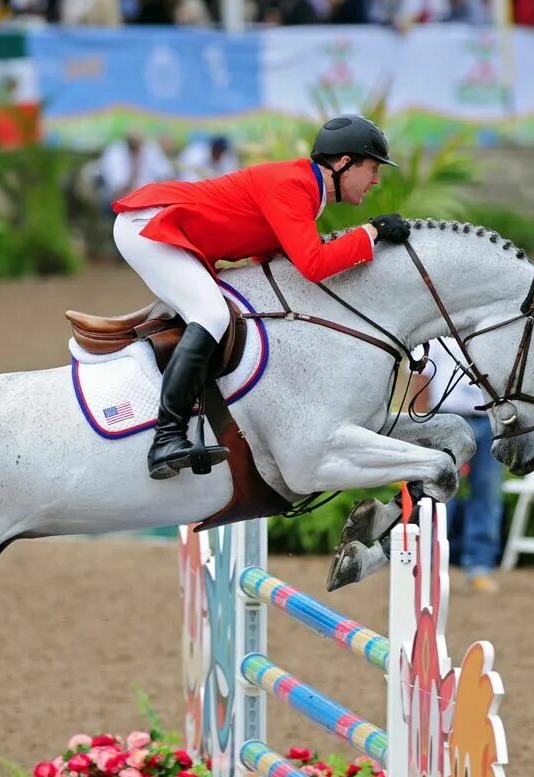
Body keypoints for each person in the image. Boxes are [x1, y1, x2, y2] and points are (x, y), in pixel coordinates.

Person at [112, 115, 410, 480]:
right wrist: (371, 232)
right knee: (212, 315)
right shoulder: (293, 185)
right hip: (149, 225)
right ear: (344, 163)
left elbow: (268, 260)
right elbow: (313, 264)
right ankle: (166, 439)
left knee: (219, 312)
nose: (376, 180)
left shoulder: (307, 192)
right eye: (373, 168)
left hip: (163, 228)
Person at [413, 342, 505, 593]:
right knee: (439, 495)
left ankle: (480, 565)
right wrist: (421, 423)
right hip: (447, 419)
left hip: (488, 420)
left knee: (487, 494)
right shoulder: (441, 334)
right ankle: (428, 563)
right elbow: (422, 375)